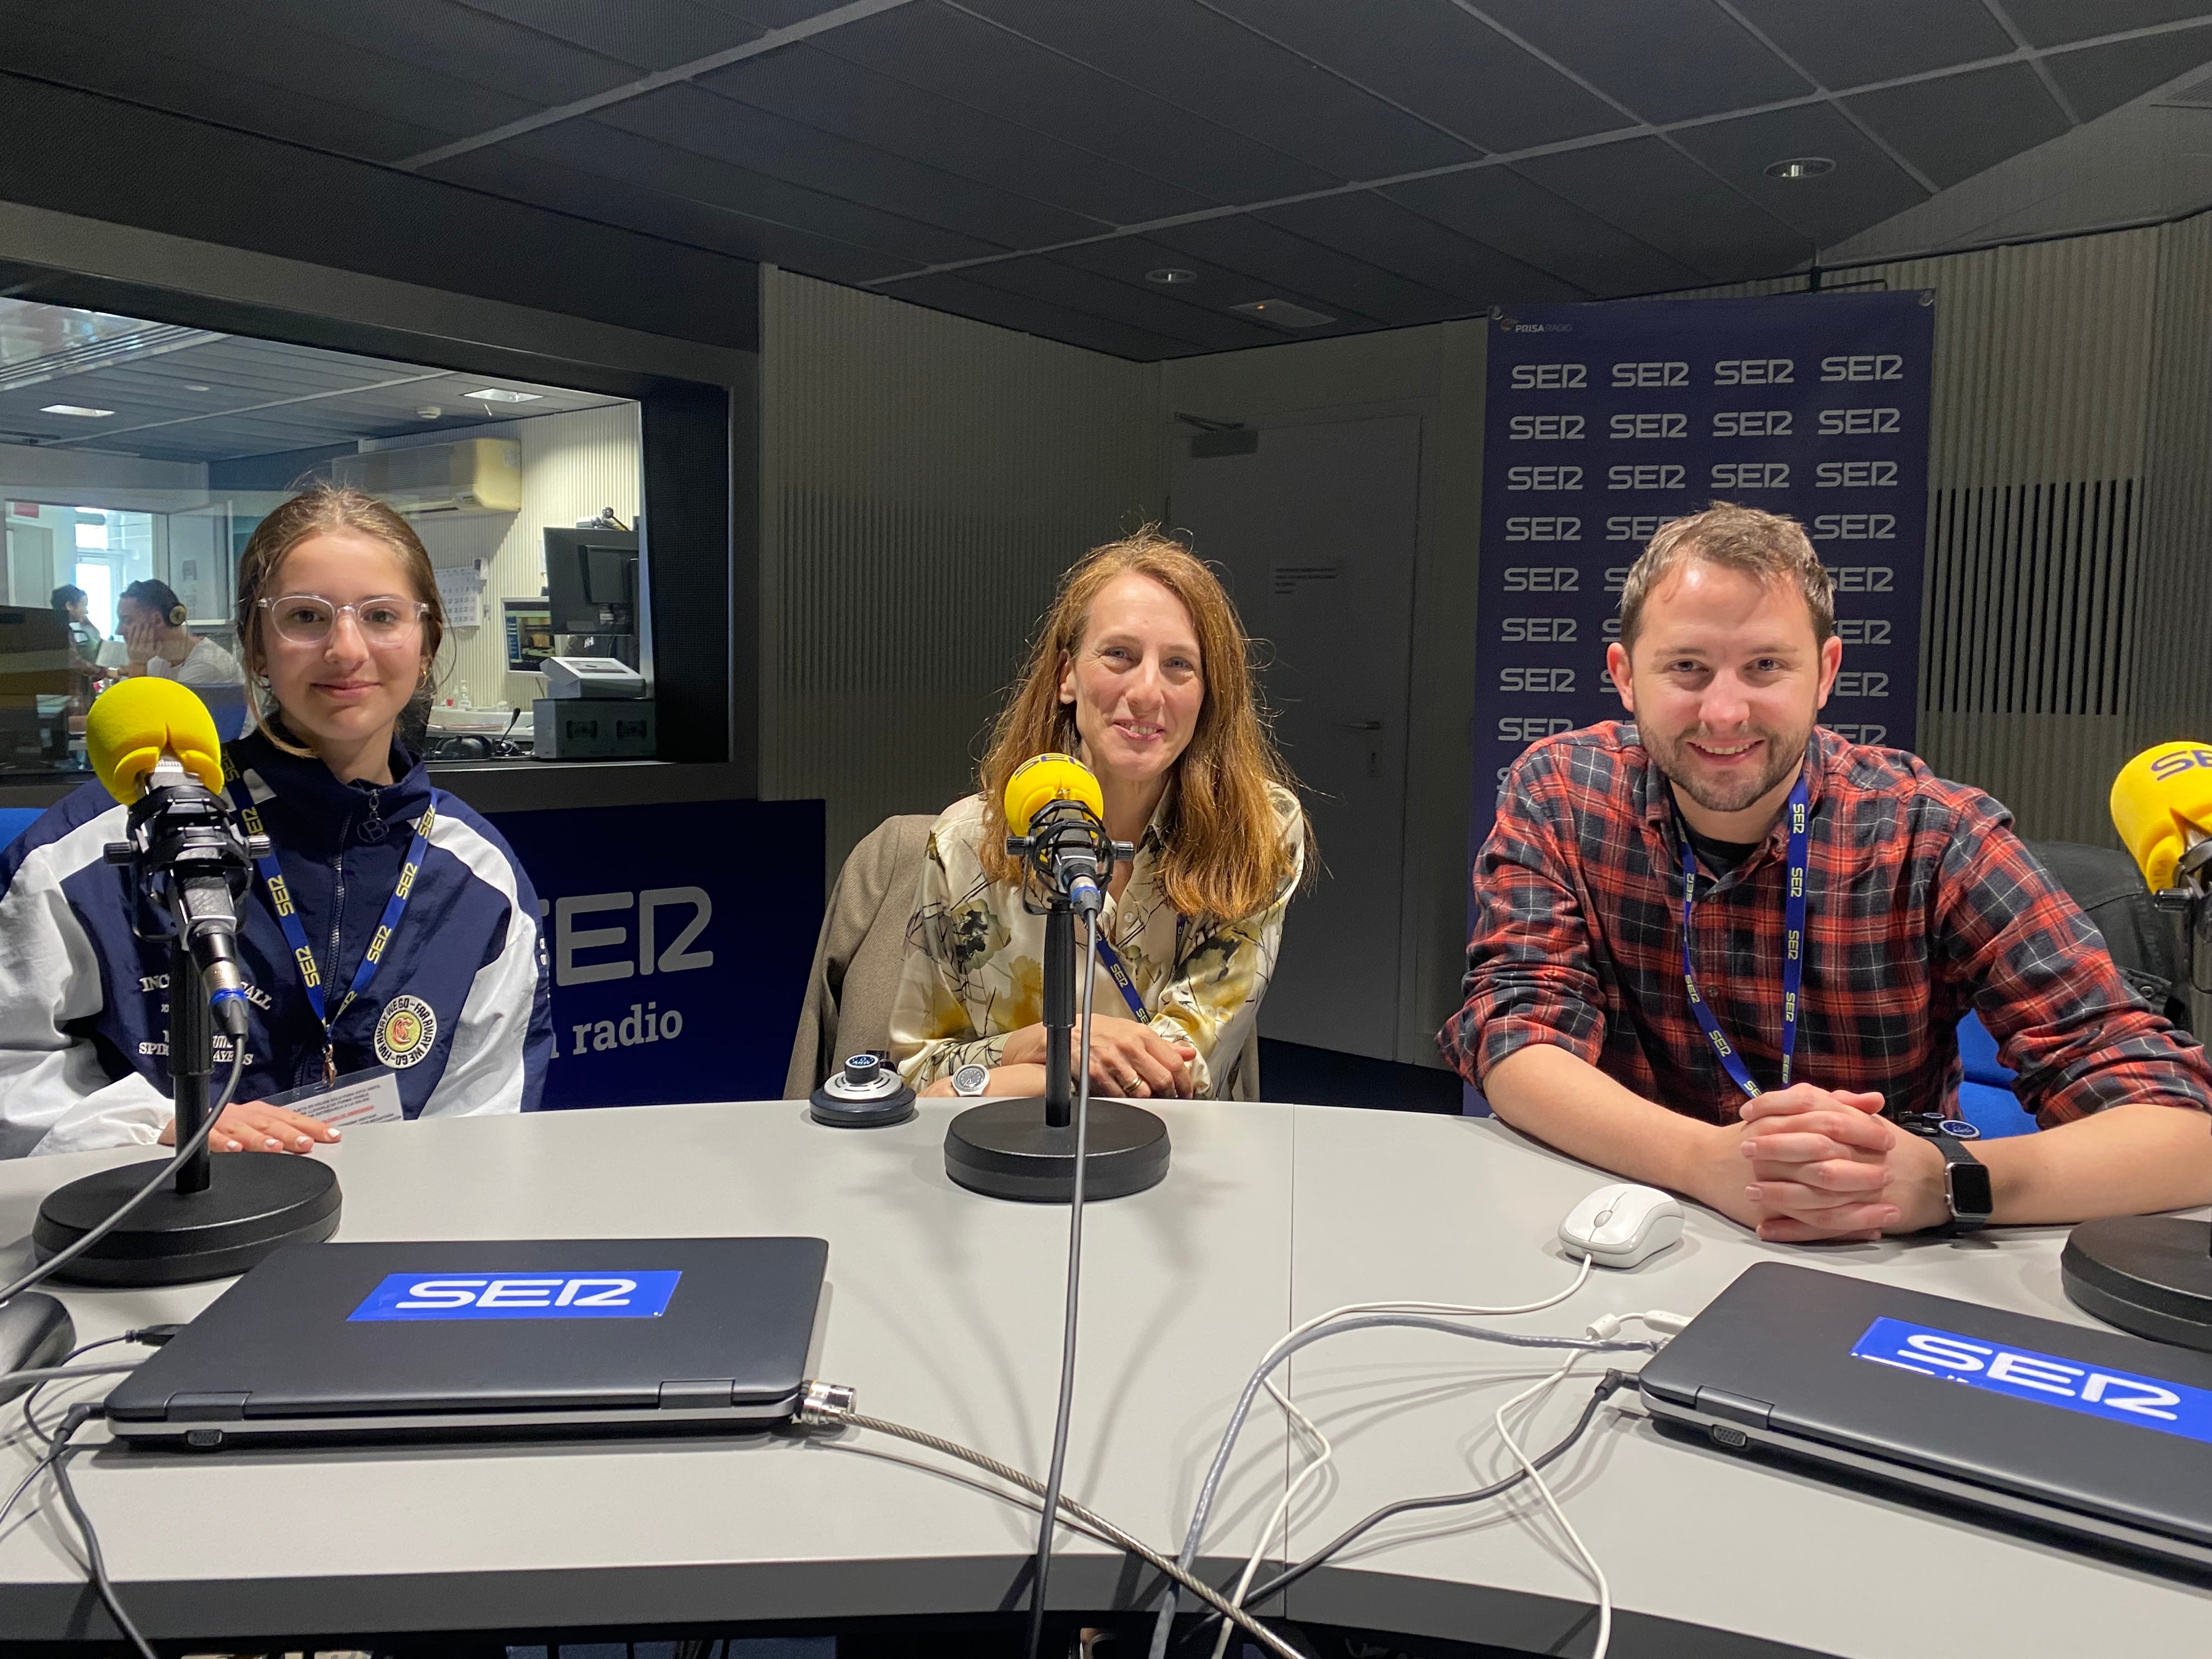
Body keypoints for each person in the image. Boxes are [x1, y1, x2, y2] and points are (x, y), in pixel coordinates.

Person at [1442, 501, 2212, 1242]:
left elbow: (2185, 1133)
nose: (1724, 713)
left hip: (1872, 1248)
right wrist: (1703, 1163)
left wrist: (1944, 1181)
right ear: (1625, 676)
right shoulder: (1563, 793)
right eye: (1686, 667)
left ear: (1825, 672)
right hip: (1624, 1222)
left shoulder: (1933, 835)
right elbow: (1514, 1035)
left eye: (1766, 666)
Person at [0, 485, 553, 1158]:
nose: (347, 650)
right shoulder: (106, 841)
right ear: (257, 648)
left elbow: (486, 1123)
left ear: (427, 641)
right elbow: (13, 1065)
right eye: (306, 617)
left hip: (385, 1236)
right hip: (157, 1229)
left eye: (381, 615)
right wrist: (155, 1126)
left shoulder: (476, 879)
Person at [891, 529, 1310, 1103]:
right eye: (1120, 655)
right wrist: (1045, 1043)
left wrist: (1020, 1072)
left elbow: (1178, 1075)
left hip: (1175, 1159)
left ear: (1209, 693)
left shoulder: (1258, 830)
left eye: (1179, 665)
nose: (1146, 692)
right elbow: (918, 1073)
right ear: (1067, 676)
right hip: (998, 1159)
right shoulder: (965, 842)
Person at [116, 577, 244, 688]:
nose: (119, 631)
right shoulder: (157, 661)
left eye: (127, 620)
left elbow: (146, 714)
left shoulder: (207, 664)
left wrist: (137, 665)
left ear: (157, 620)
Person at [49, 584, 99, 669]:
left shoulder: (58, 626)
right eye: (83, 605)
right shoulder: (60, 632)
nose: (86, 611)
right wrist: (102, 672)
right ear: (69, 606)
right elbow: (75, 663)